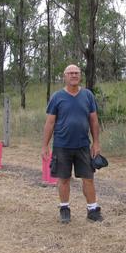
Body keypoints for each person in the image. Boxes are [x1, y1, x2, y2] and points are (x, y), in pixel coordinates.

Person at [41, 64, 103, 224]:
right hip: (62, 146)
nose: (74, 75)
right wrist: (45, 145)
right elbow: (49, 123)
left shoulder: (88, 96)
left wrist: (96, 143)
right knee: (64, 179)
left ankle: (92, 210)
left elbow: (94, 120)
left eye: (76, 73)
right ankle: (64, 208)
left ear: (80, 76)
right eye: (70, 73)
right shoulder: (57, 97)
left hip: (83, 145)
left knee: (88, 178)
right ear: (65, 76)